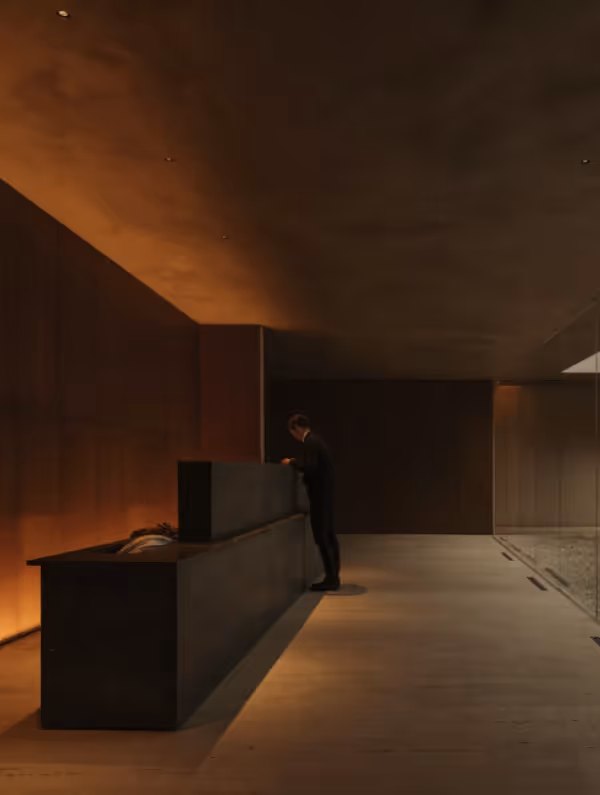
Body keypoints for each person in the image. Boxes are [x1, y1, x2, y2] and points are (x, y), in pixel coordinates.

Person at [282, 413, 341, 591]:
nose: (293, 436)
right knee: (329, 534)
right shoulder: (316, 441)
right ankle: (333, 574)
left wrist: (291, 462)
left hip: (320, 496)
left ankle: (331, 578)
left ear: (297, 428)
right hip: (326, 495)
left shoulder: (310, 442)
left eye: (292, 432)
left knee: (322, 535)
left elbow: (309, 466)